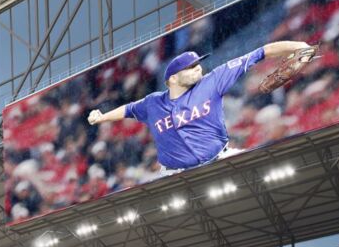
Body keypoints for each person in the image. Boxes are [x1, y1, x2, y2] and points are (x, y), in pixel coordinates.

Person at [87, 41, 314, 174]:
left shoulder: (212, 80)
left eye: (198, 64)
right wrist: (102, 117)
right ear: (173, 79)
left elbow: (259, 53)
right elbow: (128, 109)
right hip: (175, 175)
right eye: (191, 67)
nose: (198, 69)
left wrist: (299, 46)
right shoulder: (153, 102)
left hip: (220, 160)